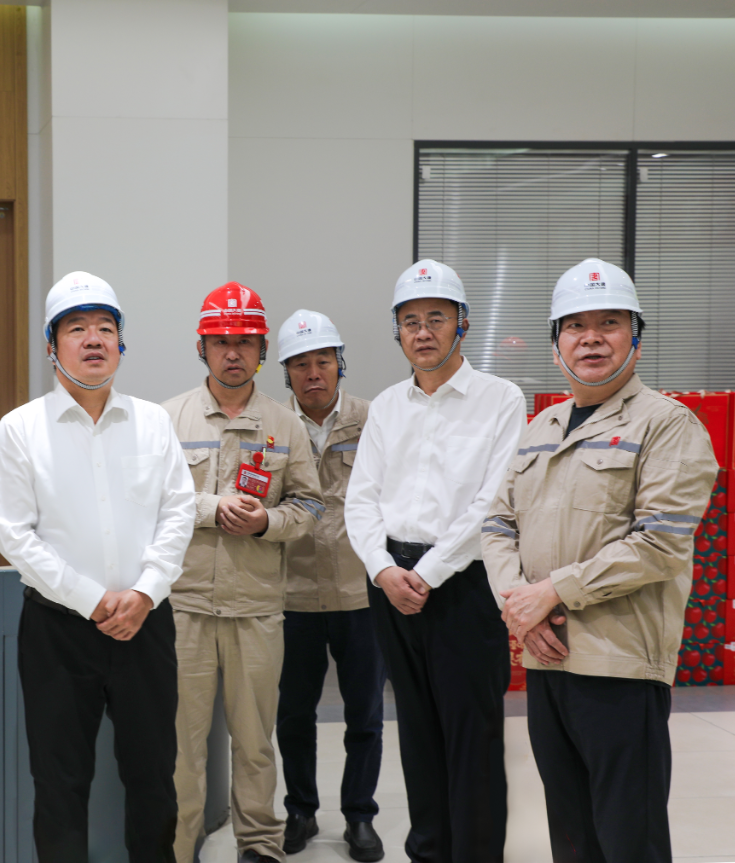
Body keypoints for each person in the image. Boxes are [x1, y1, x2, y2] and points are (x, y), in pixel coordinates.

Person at [481, 259, 718, 863]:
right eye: (575, 325)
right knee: (571, 835)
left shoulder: (667, 425)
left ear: (635, 336)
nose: (591, 338)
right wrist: (519, 605)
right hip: (546, 658)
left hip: (620, 665)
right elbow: (497, 524)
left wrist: (551, 592)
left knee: (628, 838)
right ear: (556, 341)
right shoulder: (542, 425)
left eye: (609, 322)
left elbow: (659, 542)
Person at [0, 272, 195, 862]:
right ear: (51, 346)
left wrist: (146, 592)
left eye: (106, 328)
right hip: (58, 631)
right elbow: (15, 535)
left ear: (121, 343)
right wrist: (92, 599)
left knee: (154, 778)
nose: (93, 339)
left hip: (146, 625)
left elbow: (178, 513)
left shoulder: (153, 422)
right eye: (77, 328)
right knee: (59, 783)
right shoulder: (21, 428)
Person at [344, 260, 524, 863]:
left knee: (472, 736)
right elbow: (361, 498)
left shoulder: (500, 399)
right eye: (410, 321)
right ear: (397, 331)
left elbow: (492, 502)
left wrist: (426, 574)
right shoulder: (387, 406)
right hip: (391, 584)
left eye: (436, 319)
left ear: (462, 324)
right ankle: (428, 851)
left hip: (463, 583)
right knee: (417, 732)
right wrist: (382, 569)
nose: (422, 332)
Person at [164, 283, 325, 863]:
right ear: (201, 348)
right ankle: (178, 848)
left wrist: (265, 523)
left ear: (261, 351)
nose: (233, 353)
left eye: (245, 342)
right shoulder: (167, 418)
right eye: (221, 342)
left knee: (255, 743)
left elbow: (310, 506)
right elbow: (152, 500)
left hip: (257, 609)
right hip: (184, 608)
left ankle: (258, 844)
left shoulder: (285, 425)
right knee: (182, 748)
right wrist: (212, 508)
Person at [273, 310, 385, 862]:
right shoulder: (272, 425)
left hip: (361, 591)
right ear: (286, 373)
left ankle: (360, 816)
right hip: (291, 593)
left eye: (322, 361)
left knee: (365, 713)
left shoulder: (374, 419)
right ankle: (300, 810)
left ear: (340, 364)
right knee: (294, 714)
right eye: (300, 364)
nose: (313, 373)